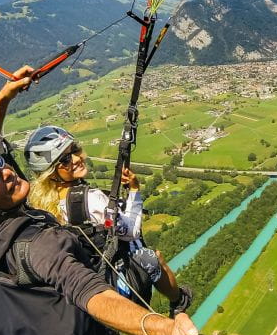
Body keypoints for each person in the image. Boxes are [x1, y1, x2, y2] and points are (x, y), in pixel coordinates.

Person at [0, 66, 204, 335]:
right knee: (149, 257)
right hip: (100, 300)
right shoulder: (40, 245)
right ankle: (179, 300)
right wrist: (165, 330)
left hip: (48, 312)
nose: (6, 172)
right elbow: (90, 293)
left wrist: (3, 98)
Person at [24, 125, 192, 317]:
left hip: (82, 281)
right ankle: (179, 301)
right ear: (52, 171)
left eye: (75, 150)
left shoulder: (39, 205)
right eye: (65, 159)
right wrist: (135, 190)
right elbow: (131, 232)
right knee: (153, 257)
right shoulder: (90, 198)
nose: (77, 158)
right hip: (113, 282)